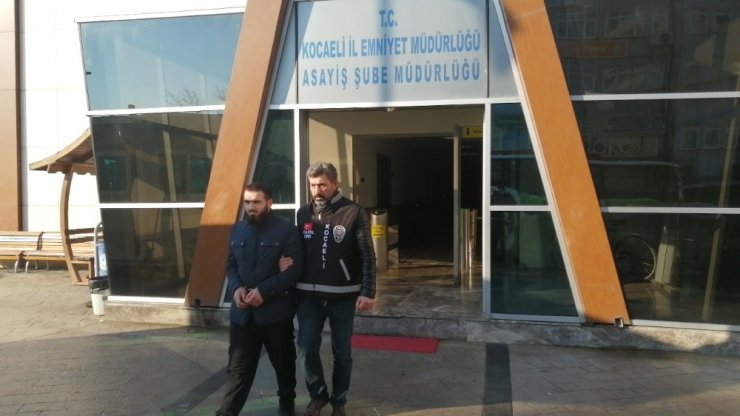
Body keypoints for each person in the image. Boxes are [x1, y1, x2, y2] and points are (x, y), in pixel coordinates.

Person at [294, 162, 376, 416]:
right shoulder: (302, 214)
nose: (317, 190)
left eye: (322, 185)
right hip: (308, 296)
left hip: (343, 295)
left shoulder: (353, 212)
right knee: (306, 348)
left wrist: (368, 291)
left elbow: (367, 253)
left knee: (342, 352)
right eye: (313, 185)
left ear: (335, 184)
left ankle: (339, 401)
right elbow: (297, 250)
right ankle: (318, 396)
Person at [216, 182, 303, 416]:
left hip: (276, 315)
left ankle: (287, 402)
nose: (251, 207)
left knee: (284, 365)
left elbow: (294, 270)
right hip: (243, 316)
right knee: (238, 370)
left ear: (269, 203)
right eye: (247, 202)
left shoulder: (286, 231)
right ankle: (227, 412)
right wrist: (236, 288)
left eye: (256, 202)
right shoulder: (237, 230)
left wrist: (263, 291)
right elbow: (231, 265)